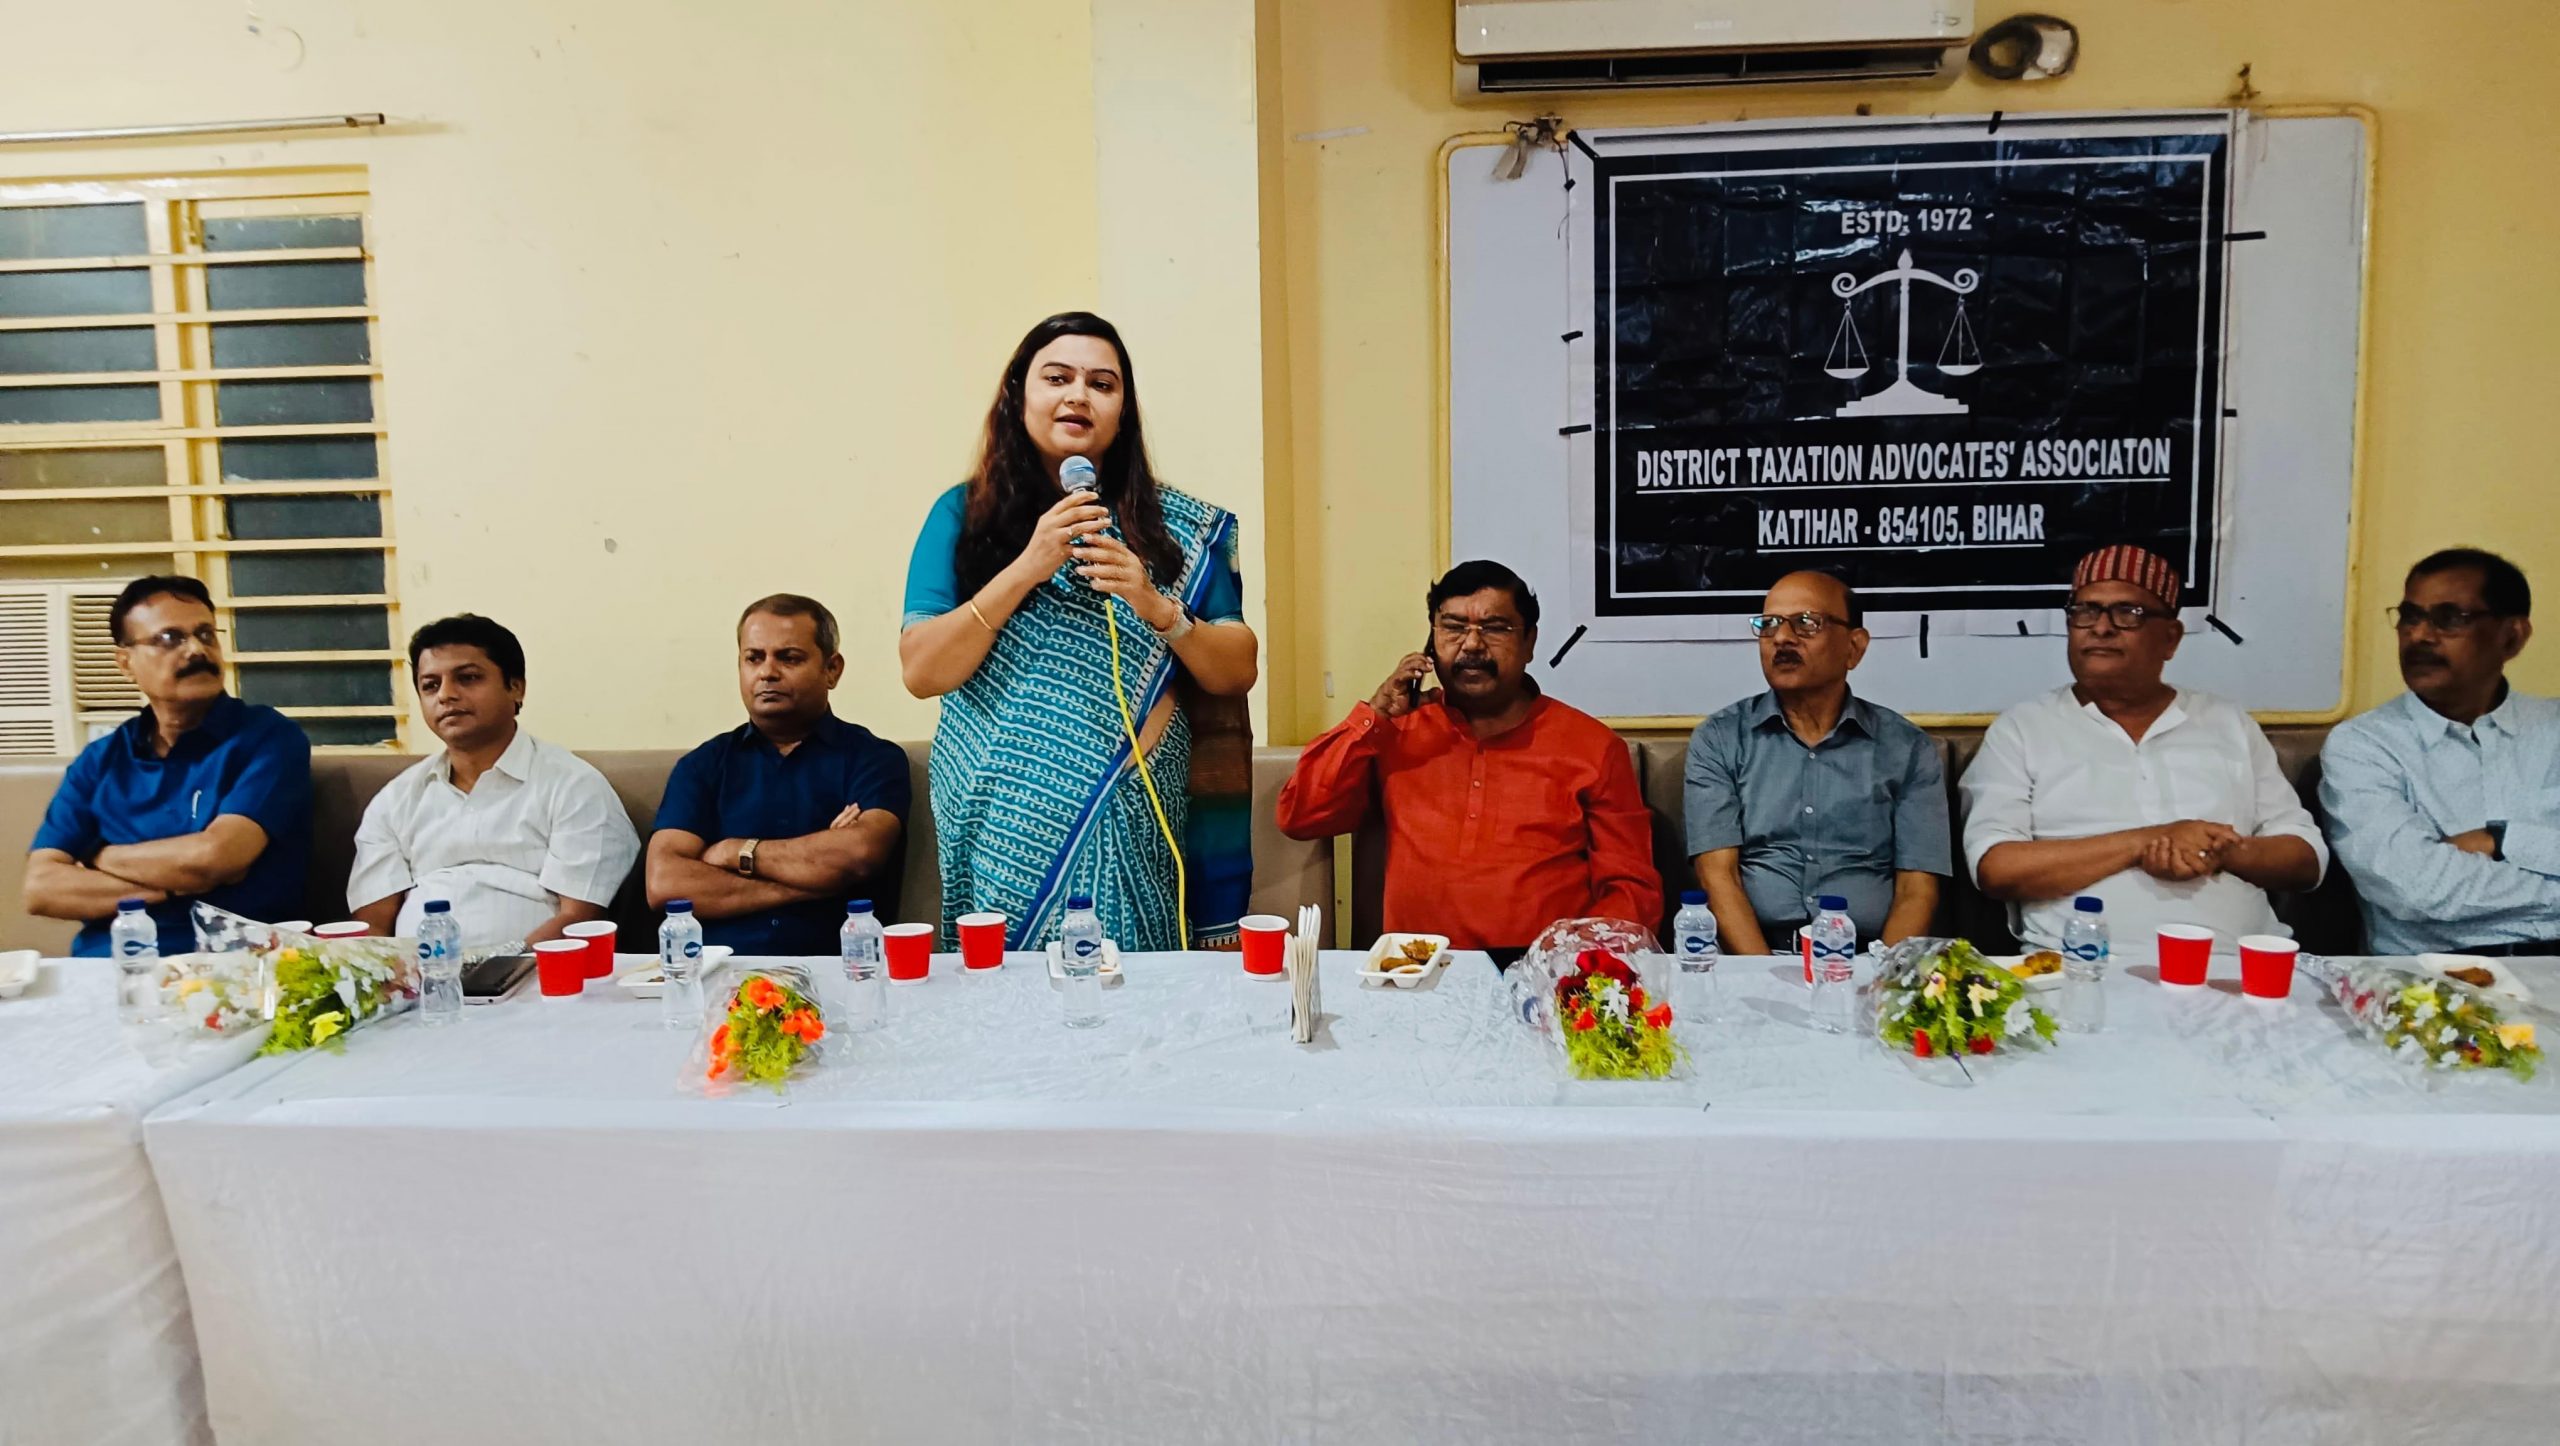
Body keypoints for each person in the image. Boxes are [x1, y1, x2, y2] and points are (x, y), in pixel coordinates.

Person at [900, 311, 1258, 951]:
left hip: (1130, 811)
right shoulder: (963, 515)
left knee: (1128, 998)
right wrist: (1026, 568)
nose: (1078, 395)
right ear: (1019, 395)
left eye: (1101, 383)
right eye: (1057, 377)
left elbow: (1236, 670)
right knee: (1010, 998)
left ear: (1124, 410)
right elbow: (922, 671)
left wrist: (1154, 604)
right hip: (1002, 814)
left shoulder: (1176, 528)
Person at [1276, 560, 1659, 957]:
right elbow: (1301, 816)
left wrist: (1573, 965)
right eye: (1454, 627)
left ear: (1529, 642)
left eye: (1495, 628)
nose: (1472, 644)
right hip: (1415, 970)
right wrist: (1374, 717)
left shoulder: (1592, 747)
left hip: (1542, 971)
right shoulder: (1396, 732)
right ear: (1431, 640)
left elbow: (1632, 891)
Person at [1962, 544, 2325, 950]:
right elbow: (1996, 868)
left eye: (2127, 613)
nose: (2101, 628)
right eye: (2085, 611)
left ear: (2171, 639)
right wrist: (2146, 842)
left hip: (2239, 964)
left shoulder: (2227, 723)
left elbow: (2306, 859)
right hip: (2075, 967)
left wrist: (2220, 853)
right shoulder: (2024, 728)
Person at [22, 575, 310, 955]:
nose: (196, 650)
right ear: (126, 663)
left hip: (230, 964)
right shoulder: (100, 760)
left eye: (206, 634)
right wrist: (176, 884)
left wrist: (99, 857)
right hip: (108, 964)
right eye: (170, 638)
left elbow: (215, 858)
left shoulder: (268, 738)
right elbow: (41, 888)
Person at [1685, 570, 1948, 952]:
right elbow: (1717, 877)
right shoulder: (1720, 739)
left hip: (1867, 959)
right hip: (1753, 959)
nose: (1782, 638)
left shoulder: (1906, 748)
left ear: (1854, 648)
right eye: (1769, 624)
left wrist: (1880, 980)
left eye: (1806, 623)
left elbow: (1917, 890)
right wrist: (1761, 975)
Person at [345, 615, 638, 946]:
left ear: (516, 687)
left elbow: (578, 920)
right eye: (430, 685)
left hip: (536, 972)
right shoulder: (396, 800)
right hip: (418, 974)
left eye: (467, 678)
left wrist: (496, 967)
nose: (446, 695)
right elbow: (373, 924)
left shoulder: (573, 787)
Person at [2321, 548, 2560, 954]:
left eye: (2450, 619)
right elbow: (2417, 888)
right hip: (2441, 973)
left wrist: (2502, 840)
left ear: (2512, 637)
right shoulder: (2364, 745)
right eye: (2410, 617)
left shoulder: (2552, 729)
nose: (2419, 636)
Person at [646, 595, 909, 955]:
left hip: (841, 967)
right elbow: (664, 883)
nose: (767, 672)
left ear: (832, 669)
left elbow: (860, 853)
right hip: (720, 970)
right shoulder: (703, 765)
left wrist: (733, 852)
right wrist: (817, 879)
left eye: (789, 658)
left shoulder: (874, 759)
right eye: (754, 658)